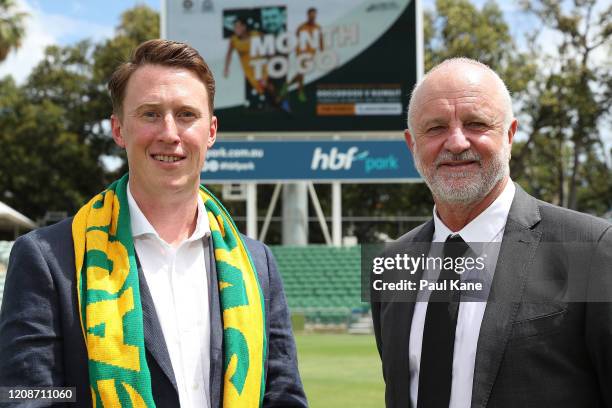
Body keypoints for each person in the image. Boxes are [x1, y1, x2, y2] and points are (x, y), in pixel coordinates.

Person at [0, 39, 307, 408]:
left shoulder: (258, 263)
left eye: (186, 115)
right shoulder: (47, 258)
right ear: (118, 130)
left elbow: (284, 396)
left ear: (210, 132)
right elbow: (29, 398)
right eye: (149, 114)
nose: (169, 133)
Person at [371, 58, 612, 408]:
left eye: (476, 124)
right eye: (435, 128)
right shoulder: (391, 265)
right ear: (412, 145)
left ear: (509, 135)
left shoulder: (591, 250)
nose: (455, 142)